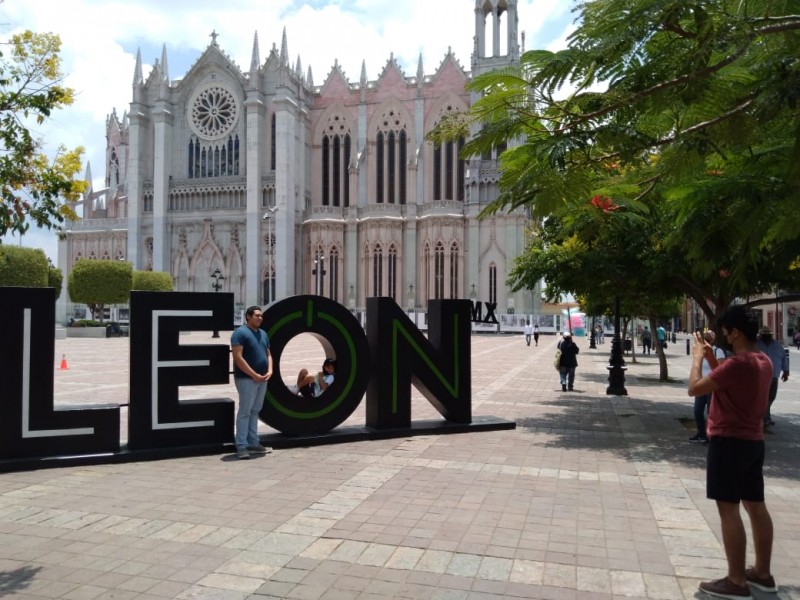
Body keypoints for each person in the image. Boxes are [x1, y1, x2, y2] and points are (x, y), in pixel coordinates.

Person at [687, 305, 777, 599]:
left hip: (728, 442)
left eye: (726, 331)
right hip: (753, 442)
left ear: (735, 332)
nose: (723, 335)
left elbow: (695, 388)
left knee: (729, 509)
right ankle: (762, 573)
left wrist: (698, 358)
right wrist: (712, 354)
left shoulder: (737, 365)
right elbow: (727, 378)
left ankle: (736, 581)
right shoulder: (762, 361)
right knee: (756, 506)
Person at [230, 305, 273, 460]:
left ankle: (253, 442)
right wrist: (253, 374)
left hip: (262, 378)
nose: (259, 318)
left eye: (261, 316)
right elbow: (238, 357)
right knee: (245, 411)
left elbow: (268, 354)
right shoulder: (240, 333)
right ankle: (241, 445)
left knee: (255, 410)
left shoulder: (263, 334)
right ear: (248, 316)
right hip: (247, 378)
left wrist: (271, 370)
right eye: (256, 315)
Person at [689, 330, 726, 443]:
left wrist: (709, 356)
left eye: (709, 337)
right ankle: (701, 433)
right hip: (701, 384)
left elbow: (720, 368)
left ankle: (711, 435)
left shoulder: (717, 351)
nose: (706, 339)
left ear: (713, 339)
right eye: (705, 337)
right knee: (697, 411)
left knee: (711, 412)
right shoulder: (699, 352)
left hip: (711, 386)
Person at [755, 326, 789, 427]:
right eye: (763, 334)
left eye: (767, 334)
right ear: (760, 335)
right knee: (763, 398)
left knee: (771, 397)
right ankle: (765, 418)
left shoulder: (778, 346)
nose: (766, 336)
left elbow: (783, 359)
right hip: (760, 377)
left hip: (774, 376)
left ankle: (766, 416)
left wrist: (786, 371)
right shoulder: (756, 345)